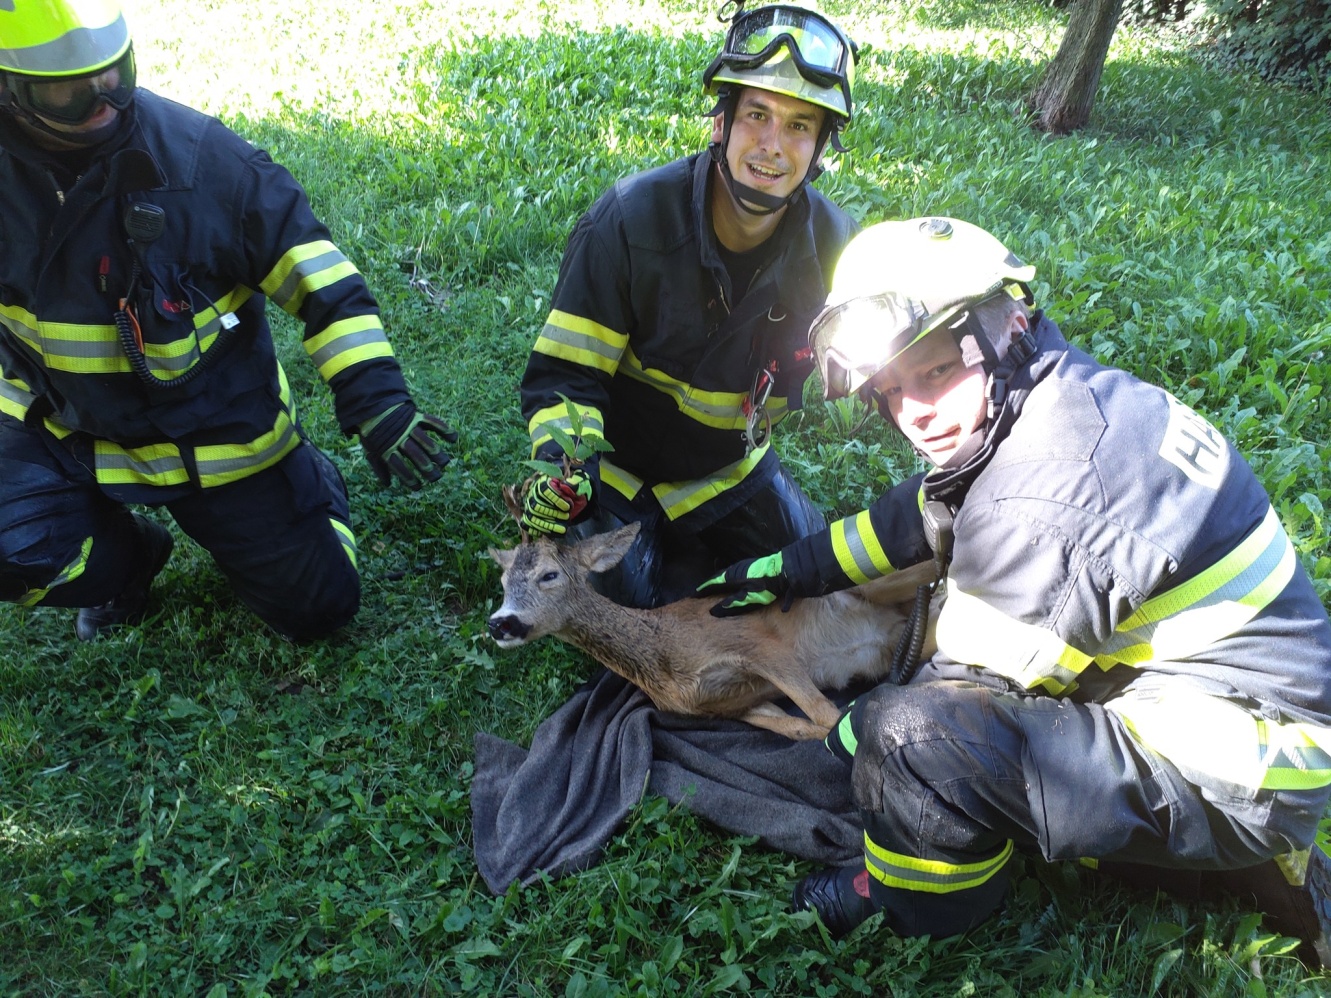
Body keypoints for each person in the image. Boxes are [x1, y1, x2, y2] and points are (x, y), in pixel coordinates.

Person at [698, 216, 1331, 960]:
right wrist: (784, 568)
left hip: (1240, 768)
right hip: (1223, 697)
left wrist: (830, 738)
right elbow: (925, 510)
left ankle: (913, 904)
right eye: (891, 389)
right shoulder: (1047, 397)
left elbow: (953, 696)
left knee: (908, 739)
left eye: (935, 371)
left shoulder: (1043, 506)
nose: (915, 414)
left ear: (1007, 324)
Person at [0, 0, 457, 642]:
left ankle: (307, 483)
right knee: (12, 550)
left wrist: (376, 397)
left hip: (214, 445)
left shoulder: (208, 164)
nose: (102, 101)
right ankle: (127, 562)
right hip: (60, 429)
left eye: (114, 75)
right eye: (68, 92)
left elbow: (324, 283)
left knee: (319, 611)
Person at [516, 2, 860, 607]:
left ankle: (684, 548)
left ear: (820, 146)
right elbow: (567, 377)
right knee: (623, 609)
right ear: (720, 122)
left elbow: (883, 369)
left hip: (724, 470)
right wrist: (562, 469)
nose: (773, 146)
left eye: (801, 126)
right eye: (757, 113)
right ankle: (642, 554)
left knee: (814, 578)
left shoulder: (835, 252)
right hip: (615, 470)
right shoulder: (629, 222)